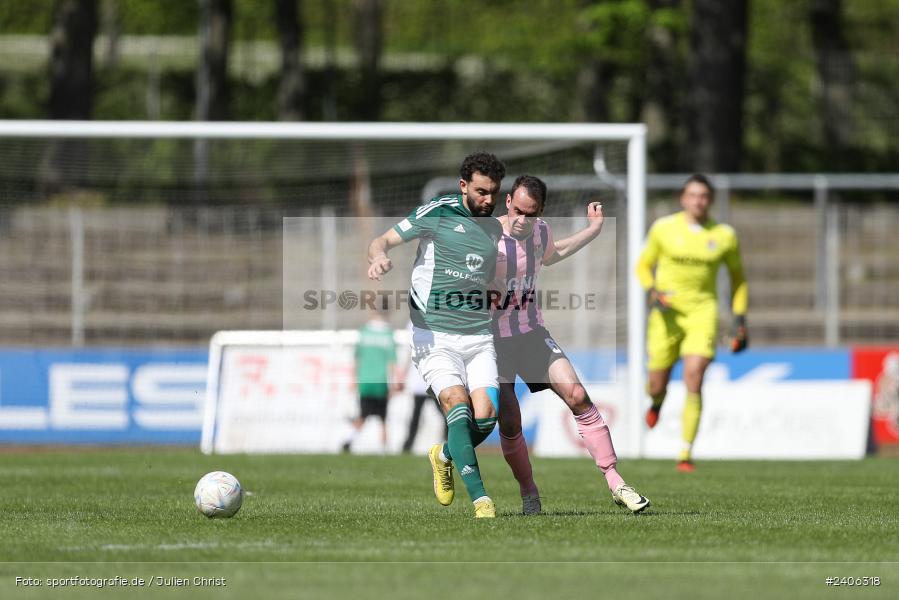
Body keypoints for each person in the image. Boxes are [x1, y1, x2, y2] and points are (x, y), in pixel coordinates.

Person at [491, 175, 651, 515]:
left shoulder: (540, 232)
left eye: (530, 214)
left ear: (540, 212)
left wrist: (594, 230)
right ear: (507, 202)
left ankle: (616, 482)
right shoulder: (486, 237)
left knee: (577, 395)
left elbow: (553, 252)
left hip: (531, 333)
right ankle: (529, 491)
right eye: (517, 211)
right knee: (510, 421)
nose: (522, 221)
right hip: (492, 342)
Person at [367, 151, 505, 518]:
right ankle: (481, 500)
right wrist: (377, 257)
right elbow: (381, 240)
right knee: (456, 407)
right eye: (480, 192)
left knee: (487, 418)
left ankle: (443, 454)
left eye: (493, 192)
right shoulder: (437, 211)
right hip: (434, 336)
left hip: (478, 336)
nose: (488, 200)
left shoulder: (494, 228)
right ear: (463, 186)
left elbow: (485, 276)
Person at [636, 173, 749, 472]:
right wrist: (652, 290)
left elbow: (738, 280)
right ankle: (657, 402)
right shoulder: (664, 228)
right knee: (656, 383)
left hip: (703, 314)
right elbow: (643, 265)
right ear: (683, 199)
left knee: (694, 376)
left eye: (704, 196)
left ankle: (685, 453)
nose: (698, 200)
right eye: (693, 195)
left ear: (709, 200)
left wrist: (740, 320)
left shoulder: (724, 235)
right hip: (666, 314)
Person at [342, 301, 398, 454]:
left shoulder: (364, 331)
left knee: (362, 415)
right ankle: (383, 451)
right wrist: (393, 384)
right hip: (380, 382)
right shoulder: (388, 333)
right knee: (383, 419)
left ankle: (348, 440)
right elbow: (392, 362)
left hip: (365, 381)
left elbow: (356, 358)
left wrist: (353, 379)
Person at [400, 321, 447, 453]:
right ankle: (407, 446)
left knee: (445, 414)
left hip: (433, 378)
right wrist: (403, 374)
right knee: (417, 416)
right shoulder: (413, 323)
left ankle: (449, 441)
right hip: (419, 379)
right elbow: (408, 350)